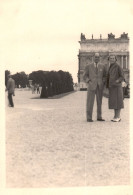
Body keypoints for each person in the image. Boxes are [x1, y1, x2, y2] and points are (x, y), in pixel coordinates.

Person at [83, 52, 106, 122]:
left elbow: (105, 76)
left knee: (99, 102)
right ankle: (89, 117)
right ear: (93, 57)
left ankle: (99, 117)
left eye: (98, 57)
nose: (97, 58)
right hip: (91, 86)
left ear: (100, 58)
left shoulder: (103, 66)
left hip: (100, 86)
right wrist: (88, 81)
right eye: (95, 57)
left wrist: (103, 81)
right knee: (90, 102)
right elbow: (85, 76)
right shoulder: (88, 66)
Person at [106, 55, 124, 122]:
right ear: (109, 59)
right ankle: (115, 116)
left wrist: (118, 81)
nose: (112, 59)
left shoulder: (118, 66)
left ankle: (118, 116)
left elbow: (122, 76)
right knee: (114, 102)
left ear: (115, 59)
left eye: (113, 58)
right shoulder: (110, 67)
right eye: (110, 58)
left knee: (118, 102)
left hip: (117, 87)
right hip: (112, 87)